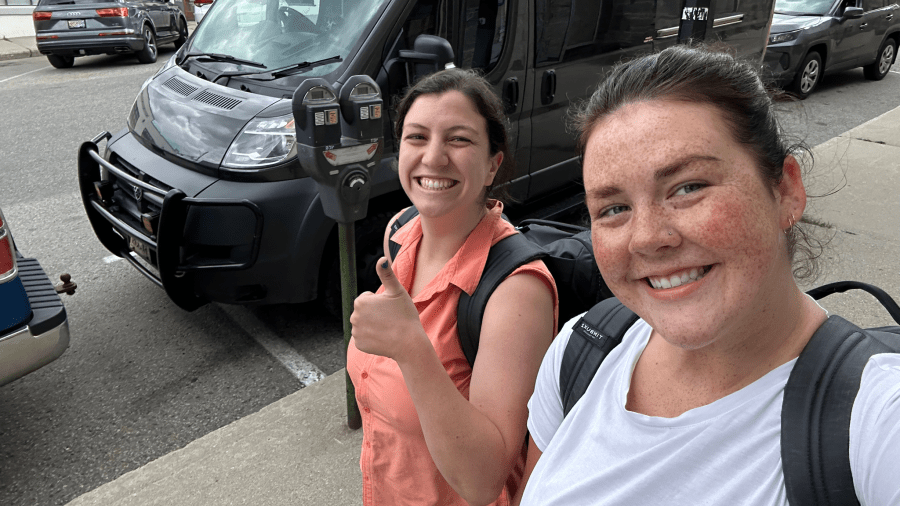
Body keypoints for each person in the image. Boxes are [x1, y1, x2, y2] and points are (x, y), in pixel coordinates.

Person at [515, 45, 900, 505]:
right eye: (614, 208)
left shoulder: (875, 423)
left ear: (786, 191)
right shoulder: (582, 350)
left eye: (689, 187)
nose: (646, 238)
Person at [347, 68, 559, 506]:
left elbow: (483, 482)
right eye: (417, 137)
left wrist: (412, 349)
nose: (434, 158)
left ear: (492, 165)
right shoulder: (400, 232)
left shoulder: (516, 291)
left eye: (459, 139)